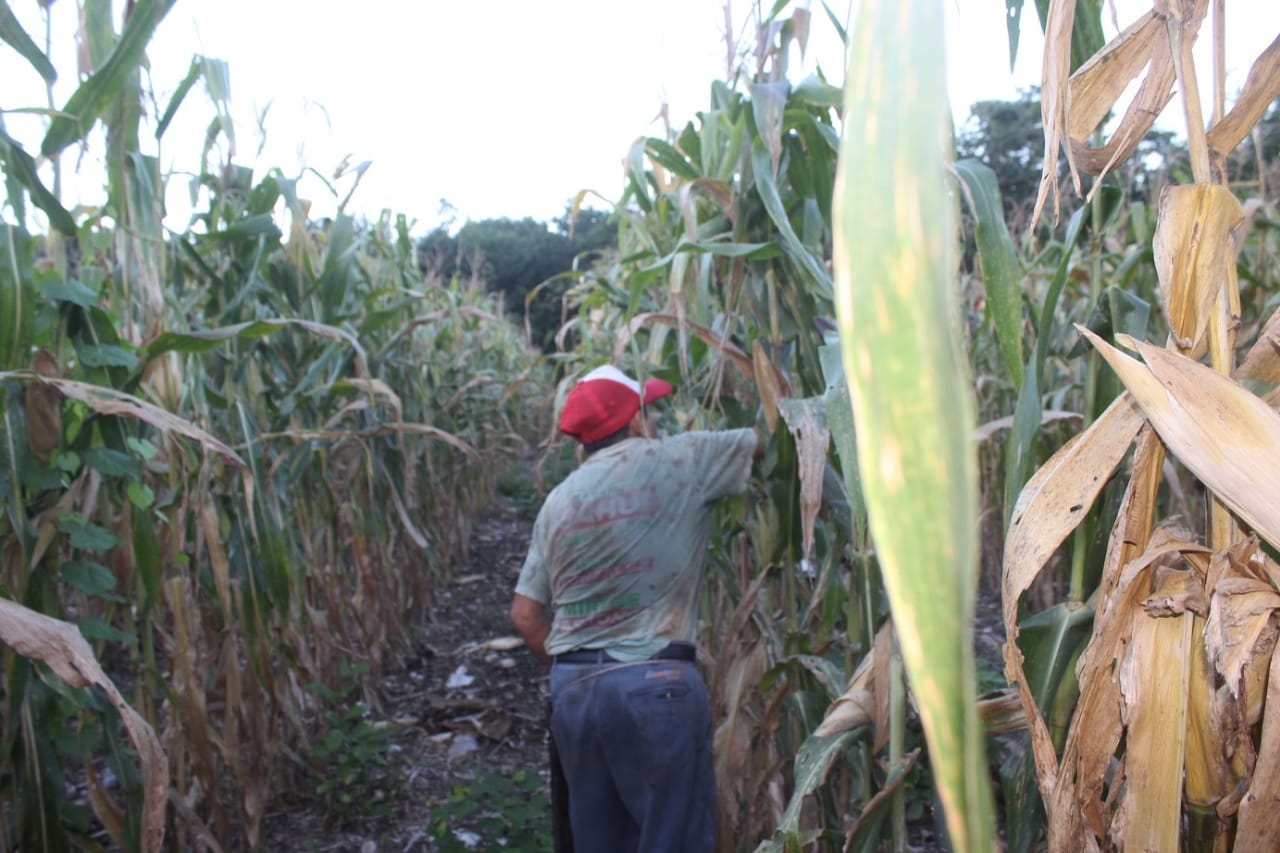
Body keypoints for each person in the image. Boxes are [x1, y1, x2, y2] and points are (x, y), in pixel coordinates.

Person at [509, 363, 759, 852]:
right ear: (637, 422)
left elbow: (525, 614)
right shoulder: (682, 460)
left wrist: (582, 671)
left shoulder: (558, 502)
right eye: (650, 410)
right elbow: (776, 433)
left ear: (583, 443)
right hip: (656, 688)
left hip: (574, 691)